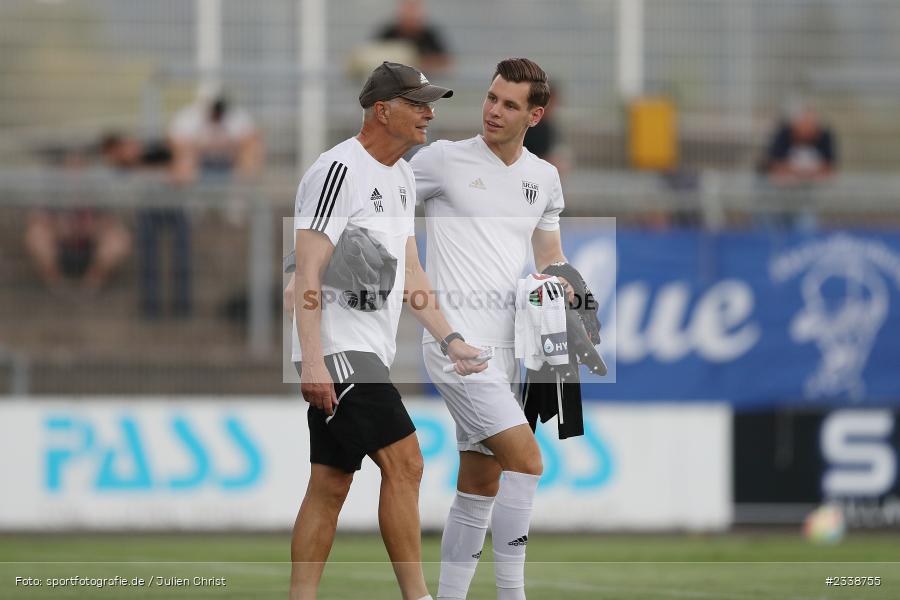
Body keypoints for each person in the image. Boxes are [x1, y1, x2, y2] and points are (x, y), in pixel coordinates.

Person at [289, 61, 486, 600]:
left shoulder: (400, 177)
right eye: (417, 102)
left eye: (431, 102)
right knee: (407, 461)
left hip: (361, 351)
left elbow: (410, 273)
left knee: (330, 485)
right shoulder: (337, 170)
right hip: (339, 352)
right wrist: (312, 361)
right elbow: (305, 271)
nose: (429, 112)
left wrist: (451, 338)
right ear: (382, 110)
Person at [410, 58, 576, 600]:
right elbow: (381, 202)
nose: (493, 111)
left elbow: (548, 254)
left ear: (535, 115)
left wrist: (564, 286)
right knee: (526, 462)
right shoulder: (442, 160)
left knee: (480, 483)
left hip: (509, 350)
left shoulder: (543, 178)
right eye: (490, 98)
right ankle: (512, 595)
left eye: (509, 104)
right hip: (455, 345)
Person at [25, 149, 131, 294]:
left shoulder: (97, 189)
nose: (76, 171)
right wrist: (59, 226)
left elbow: (110, 220)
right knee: (36, 235)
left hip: (89, 238)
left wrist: (92, 227)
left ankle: (93, 282)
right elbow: (37, 217)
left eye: (80, 166)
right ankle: (55, 282)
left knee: (119, 239)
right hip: (60, 237)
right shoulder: (53, 189)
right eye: (71, 166)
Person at [168, 93, 262, 184]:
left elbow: (252, 138)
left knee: (250, 152)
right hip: (199, 157)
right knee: (184, 156)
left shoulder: (237, 117)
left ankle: (244, 187)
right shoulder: (188, 117)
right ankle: (187, 186)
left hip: (229, 157)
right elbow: (176, 141)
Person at [760, 102, 837, 184]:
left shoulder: (824, 136)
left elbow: (830, 166)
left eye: (810, 127)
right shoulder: (783, 134)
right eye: (803, 126)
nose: (806, 132)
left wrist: (807, 174)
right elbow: (773, 163)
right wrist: (798, 172)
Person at [375, 0, 452, 74]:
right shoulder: (388, 33)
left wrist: (419, 62)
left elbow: (444, 60)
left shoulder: (430, 35)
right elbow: (375, 55)